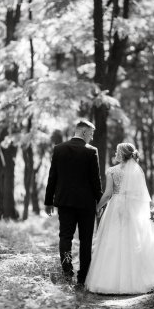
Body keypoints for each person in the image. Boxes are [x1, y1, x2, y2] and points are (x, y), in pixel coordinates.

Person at [85, 143, 154, 294]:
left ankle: (108, 282)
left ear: (121, 154)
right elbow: (141, 195)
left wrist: (97, 207)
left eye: (117, 151)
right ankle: (137, 280)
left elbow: (107, 195)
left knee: (113, 240)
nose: (115, 153)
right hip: (133, 208)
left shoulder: (112, 171)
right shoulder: (137, 172)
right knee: (134, 238)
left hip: (116, 207)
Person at [45, 119, 103, 286]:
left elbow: (52, 177)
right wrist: (100, 203)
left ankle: (67, 272)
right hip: (86, 204)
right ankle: (83, 277)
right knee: (85, 241)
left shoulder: (59, 149)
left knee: (65, 238)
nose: (91, 138)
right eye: (91, 134)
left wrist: (49, 201)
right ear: (84, 132)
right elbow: (95, 181)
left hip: (65, 203)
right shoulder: (91, 151)